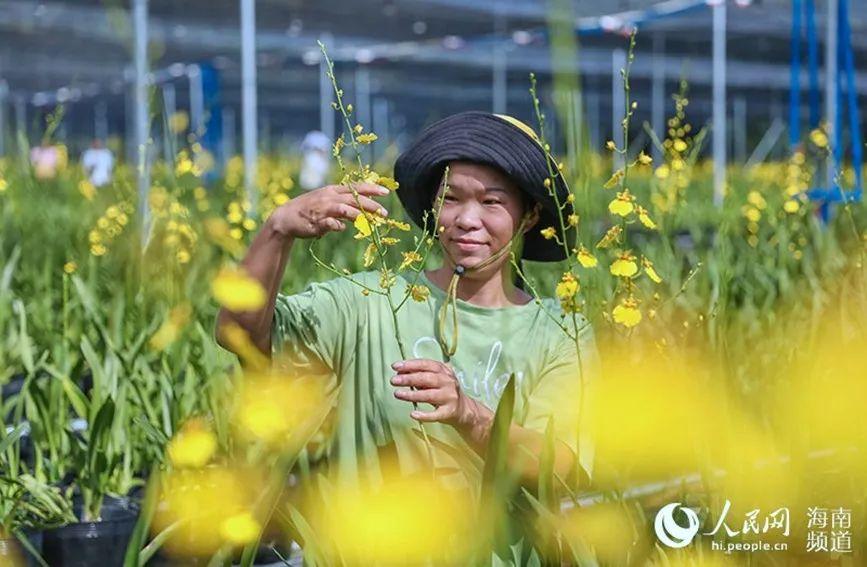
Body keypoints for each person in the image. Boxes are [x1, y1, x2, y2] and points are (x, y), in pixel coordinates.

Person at [216, 111, 597, 557]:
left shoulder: (558, 331)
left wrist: (469, 414)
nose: (466, 219)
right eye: (451, 199)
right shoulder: (368, 302)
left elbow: (561, 468)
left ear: (531, 215)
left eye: (492, 203)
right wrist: (277, 230)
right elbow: (237, 333)